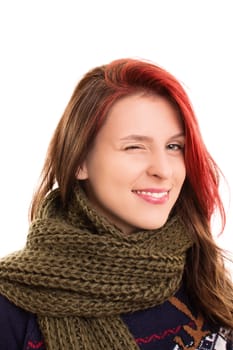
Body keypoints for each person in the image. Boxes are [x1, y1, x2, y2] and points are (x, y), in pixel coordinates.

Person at [0, 58, 232, 350]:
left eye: (174, 146)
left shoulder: (202, 273)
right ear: (79, 161)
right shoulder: (10, 308)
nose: (163, 169)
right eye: (134, 147)